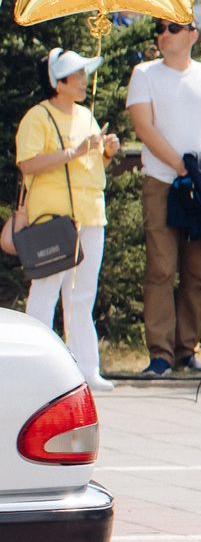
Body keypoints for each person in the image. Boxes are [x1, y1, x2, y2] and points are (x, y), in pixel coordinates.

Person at [125, 16, 201, 377]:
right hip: (162, 180)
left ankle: (187, 350)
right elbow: (143, 126)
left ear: (192, 35)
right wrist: (181, 166)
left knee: (197, 271)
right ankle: (160, 353)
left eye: (172, 28)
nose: (162, 34)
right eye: (159, 28)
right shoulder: (144, 73)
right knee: (162, 268)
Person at [16, 47, 118, 390]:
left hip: (90, 214)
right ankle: (33, 367)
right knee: (46, 289)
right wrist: (75, 151)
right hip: (54, 217)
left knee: (83, 294)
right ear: (58, 82)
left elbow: (90, 165)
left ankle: (86, 370)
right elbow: (28, 163)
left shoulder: (85, 116)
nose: (84, 81)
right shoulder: (38, 117)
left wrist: (106, 151)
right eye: (77, 75)